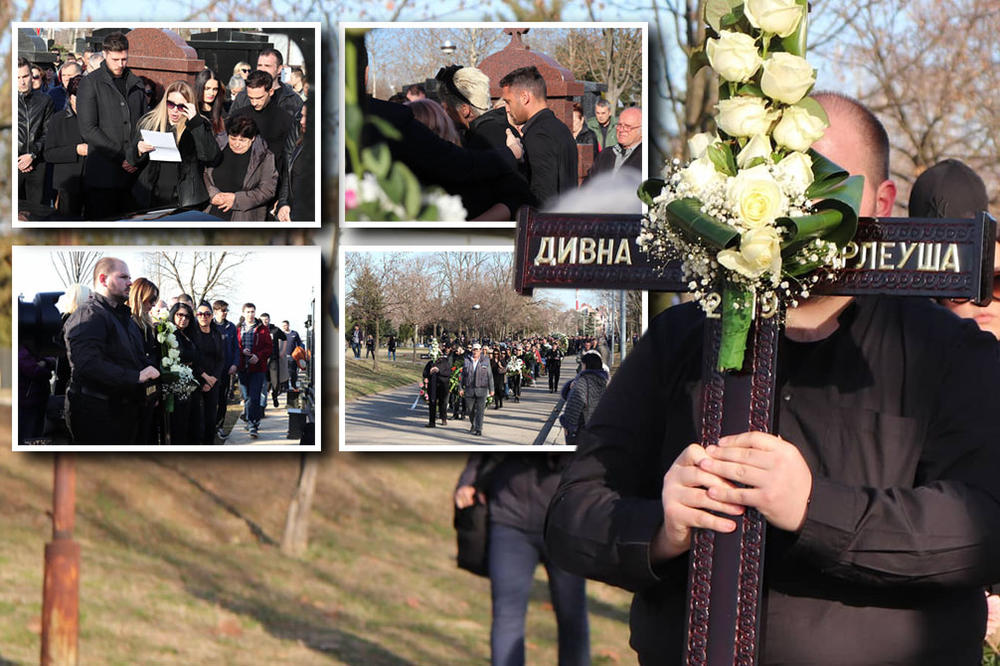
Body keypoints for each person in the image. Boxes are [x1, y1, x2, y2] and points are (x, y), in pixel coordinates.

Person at [544, 92, 1000, 664]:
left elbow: (980, 530)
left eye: (822, 182)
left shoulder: (952, 353)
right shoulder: (679, 337)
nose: (793, 213)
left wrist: (813, 506)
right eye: (776, 180)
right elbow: (571, 514)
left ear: (881, 202)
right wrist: (661, 528)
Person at [455, 454, 591, 666]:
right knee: (506, 616)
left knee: (571, 615)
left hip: (565, 522)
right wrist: (468, 480)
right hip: (509, 517)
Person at [63, 257, 160, 444]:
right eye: (123, 277)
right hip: (97, 415)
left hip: (125, 412)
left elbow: (135, 358)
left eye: (130, 277)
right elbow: (87, 364)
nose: (130, 282)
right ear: (103, 279)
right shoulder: (89, 314)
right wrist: (135, 377)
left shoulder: (124, 318)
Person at [76, 32, 148, 218]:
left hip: (133, 177)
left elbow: (143, 124)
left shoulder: (136, 83)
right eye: (115, 59)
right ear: (105, 53)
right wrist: (123, 157)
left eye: (124, 59)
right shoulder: (90, 83)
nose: (120, 64)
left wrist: (134, 158)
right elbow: (88, 129)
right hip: (103, 176)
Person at [126, 80, 221, 212]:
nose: (175, 110)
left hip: (185, 199)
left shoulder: (199, 124)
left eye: (181, 106)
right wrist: (139, 149)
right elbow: (131, 159)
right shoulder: (150, 122)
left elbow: (210, 155)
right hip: (150, 196)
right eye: (171, 104)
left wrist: (195, 123)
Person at [499, 66, 578, 207]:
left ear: (524, 97)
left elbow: (542, 197)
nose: (507, 109)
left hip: (548, 225)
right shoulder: (560, 128)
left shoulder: (538, 135)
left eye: (508, 101)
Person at [228, 70, 298, 217]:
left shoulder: (286, 120)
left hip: (268, 192)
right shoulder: (237, 116)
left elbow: (287, 161)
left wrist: (282, 198)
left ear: (270, 91)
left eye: (259, 98)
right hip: (236, 187)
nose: (254, 102)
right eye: (251, 98)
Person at [203, 115, 278, 221]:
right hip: (211, 209)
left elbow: (267, 190)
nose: (237, 144)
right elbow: (204, 173)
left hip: (244, 215)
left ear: (252, 138)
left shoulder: (264, 157)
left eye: (242, 140)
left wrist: (236, 199)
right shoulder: (217, 146)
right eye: (233, 139)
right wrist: (212, 194)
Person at [44, 74, 86, 217]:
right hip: (68, 185)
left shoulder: (98, 118)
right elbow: (49, 153)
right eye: (77, 96)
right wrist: (75, 150)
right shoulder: (59, 119)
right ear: (69, 97)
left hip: (92, 183)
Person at [127, 277, 162, 445]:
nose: (153, 305)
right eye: (151, 300)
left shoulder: (147, 323)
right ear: (140, 296)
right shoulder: (128, 322)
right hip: (134, 390)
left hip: (148, 389)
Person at [229, 48, 303, 124]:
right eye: (259, 65)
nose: (262, 69)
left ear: (279, 69)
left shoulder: (293, 100)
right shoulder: (243, 96)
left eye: (267, 66)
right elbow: (231, 125)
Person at [17, 57, 54, 207]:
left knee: (36, 211)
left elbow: (48, 132)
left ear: (32, 76)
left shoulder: (45, 100)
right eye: (18, 77)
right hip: (13, 164)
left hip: (37, 164)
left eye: (25, 76)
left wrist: (32, 155)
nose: (22, 81)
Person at [191, 301, 225, 445]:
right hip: (197, 380)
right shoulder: (192, 334)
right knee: (197, 420)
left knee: (211, 419)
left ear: (212, 316)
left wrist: (213, 378)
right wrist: (204, 377)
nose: (203, 316)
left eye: (207, 314)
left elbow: (221, 359)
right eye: (200, 314)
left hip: (213, 381)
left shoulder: (217, 334)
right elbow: (192, 359)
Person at [558, 350, 608, 445]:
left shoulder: (583, 383)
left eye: (582, 365)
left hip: (581, 429)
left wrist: (568, 426)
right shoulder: (603, 381)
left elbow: (573, 407)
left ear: (586, 365)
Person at [167, 302, 200, 445]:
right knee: (178, 425)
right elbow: (182, 356)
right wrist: (189, 359)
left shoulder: (188, 334)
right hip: (175, 386)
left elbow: (196, 357)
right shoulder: (169, 333)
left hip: (189, 385)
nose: (183, 319)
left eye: (187, 316)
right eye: (180, 315)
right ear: (173, 314)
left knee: (191, 423)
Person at [237, 303, 271, 438]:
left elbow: (269, 348)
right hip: (242, 368)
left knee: (255, 396)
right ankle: (249, 419)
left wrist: (258, 356)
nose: (251, 314)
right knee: (246, 398)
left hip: (257, 368)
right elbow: (234, 346)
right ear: (243, 313)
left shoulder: (262, 329)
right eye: (248, 312)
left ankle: (253, 425)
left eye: (252, 312)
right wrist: (241, 351)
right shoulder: (238, 329)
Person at [586, 106, 642, 180]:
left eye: (628, 127)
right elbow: (588, 183)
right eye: (619, 125)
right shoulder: (605, 154)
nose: (621, 130)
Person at [212, 300, 240, 439]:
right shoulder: (209, 325)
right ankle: (209, 426)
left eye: (226, 310)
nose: (225, 313)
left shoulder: (231, 327)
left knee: (222, 400)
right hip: (211, 371)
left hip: (226, 370)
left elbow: (236, 348)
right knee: (211, 399)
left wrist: (235, 364)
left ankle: (220, 426)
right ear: (215, 311)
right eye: (223, 310)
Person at [460, 342, 494, 436]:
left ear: (480, 351)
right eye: (474, 350)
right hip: (469, 389)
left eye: (477, 350)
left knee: (480, 411)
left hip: (481, 389)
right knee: (470, 410)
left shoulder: (485, 360)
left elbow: (490, 375)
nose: (475, 351)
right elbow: (462, 375)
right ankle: (473, 424)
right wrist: (460, 388)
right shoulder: (467, 360)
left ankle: (479, 429)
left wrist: (492, 389)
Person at [261, 313, 287, 409]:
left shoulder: (275, 330)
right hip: (262, 360)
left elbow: (284, 338)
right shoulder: (258, 330)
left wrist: (282, 352)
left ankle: (275, 396)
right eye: (262, 319)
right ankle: (262, 405)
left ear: (269, 319)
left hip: (273, 359)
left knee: (275, 382)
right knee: (264, 383)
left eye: (266, 319)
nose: (264, 321)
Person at [422, 349, 452, 428]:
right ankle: (432, 422)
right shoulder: (430, 363)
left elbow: (448, 373)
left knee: (443, 403)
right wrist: (428, 374)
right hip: (432, 386)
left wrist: (439, 371)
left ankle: (443, 418)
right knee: (432, 403)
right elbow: (424, 373)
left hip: (443, 386)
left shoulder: (445, 363)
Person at [194, 68, 226, 138]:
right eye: (207, 88)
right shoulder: (193, 110)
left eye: (215, 89)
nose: (211, 93)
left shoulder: (222, 112)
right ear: (200, 87)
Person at [281, 321, 303, 390]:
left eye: (285, 325)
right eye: (283, 326)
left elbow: (300, 344)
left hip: (293, 356)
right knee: (285, 372)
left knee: (293, 372)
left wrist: (300, 353)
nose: (284, 327)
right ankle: (285, 387)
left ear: (288, 325)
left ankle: (294, 386)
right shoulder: (281, 334)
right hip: (284, 356)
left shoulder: (294, 333)